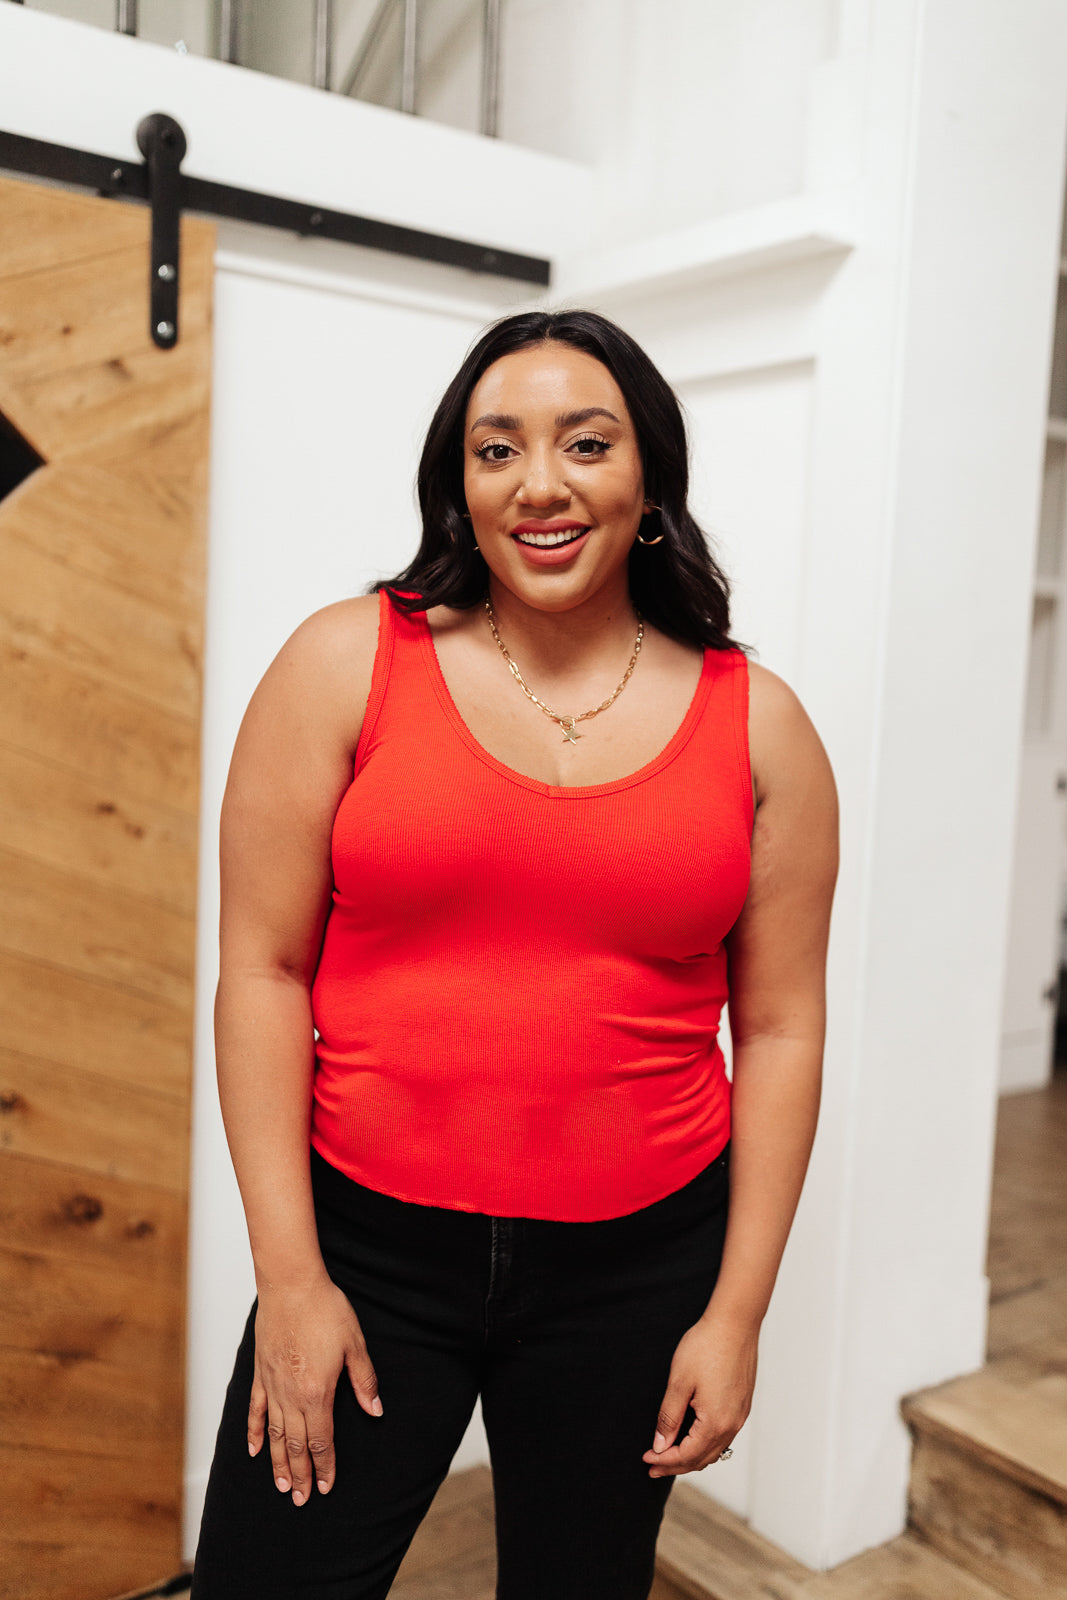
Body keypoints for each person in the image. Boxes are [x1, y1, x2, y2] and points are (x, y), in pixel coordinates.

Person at [190, 308, 838, 1600]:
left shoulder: (759, 726)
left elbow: (779, 1031)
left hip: (638, 1267)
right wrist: (292, 1279)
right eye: (498, 451)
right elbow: (262, 974)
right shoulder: (343, 663)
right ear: (461, 485)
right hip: (369, 1255)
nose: (540, 483)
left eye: (584, 444)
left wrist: (735, 1312)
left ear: (646, 478)